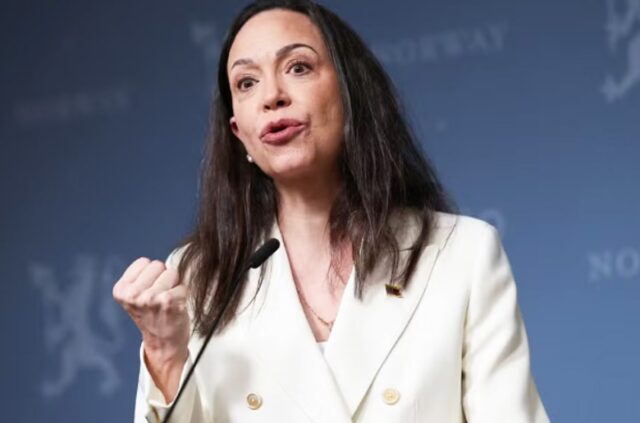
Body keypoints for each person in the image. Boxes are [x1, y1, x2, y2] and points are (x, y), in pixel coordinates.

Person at [112, 1, 550, 421]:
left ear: (349, 92)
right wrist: (165, 355)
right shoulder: (199, 276)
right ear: (238, 133)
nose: (272, 97)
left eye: (298, 67)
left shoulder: (463, 253)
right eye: (246, 83)